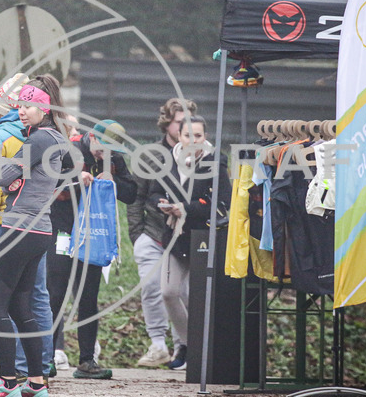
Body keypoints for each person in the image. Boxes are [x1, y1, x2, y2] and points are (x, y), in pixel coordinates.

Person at [0, 75, 74, 397]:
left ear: (44, 108)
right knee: (20, 306)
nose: (21, 110)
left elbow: (1, 177)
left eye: (29, 105)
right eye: (19, 104)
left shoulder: (37, 141)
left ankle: (6, 382)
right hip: (39, 231)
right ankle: (35, 383)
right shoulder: (52, 138)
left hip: (19, 230)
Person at [46, 118, 137, 380]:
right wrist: (77, 178)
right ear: (92, 138)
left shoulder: (114, 160)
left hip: (92, 234)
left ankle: (87, 360)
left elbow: (131, 194)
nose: (104, 155)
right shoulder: (69, 149)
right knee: (56, 294)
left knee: (88, 296)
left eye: (111, 151)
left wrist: (114, 181)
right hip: (62, 227)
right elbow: (48, 183)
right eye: (101, 149)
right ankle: (46, 358)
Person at [149, 115, 231, 370]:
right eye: (188, 135)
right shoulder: (168, 161)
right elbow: (153, 193)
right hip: (174, 236)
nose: (193, 140)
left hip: (203, 238)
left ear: (204, 137)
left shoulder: (215, 162)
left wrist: (185, 208)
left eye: (198, 135)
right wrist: (163, 206)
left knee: (200, 297)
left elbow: (221, 203)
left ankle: (201, 348)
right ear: (179, 136)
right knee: (168, 292)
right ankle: (187, 343)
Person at [127, 97, 196, 367]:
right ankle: (157, 344)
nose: (184, 128)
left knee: (183, 292)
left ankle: (184, 346)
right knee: (152, 288)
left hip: (185, 238)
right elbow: (137, 197)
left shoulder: (201, 155)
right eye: (180, 122)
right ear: (167, 123)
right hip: (154, 233)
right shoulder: (150, 155)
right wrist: (136, 235)